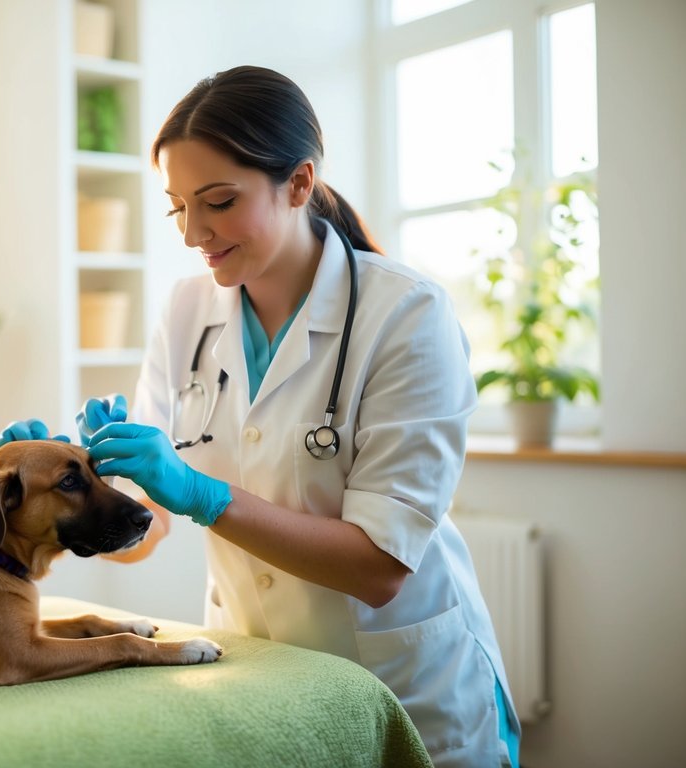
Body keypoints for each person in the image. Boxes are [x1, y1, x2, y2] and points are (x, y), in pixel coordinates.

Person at [75, 66, 520, 767]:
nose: (193, 231)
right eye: (177, 207)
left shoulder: (406, 315)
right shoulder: (186, 310)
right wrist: (84, 484)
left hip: (399, 688)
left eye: (218, 201)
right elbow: (145, 528)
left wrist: (202, 495)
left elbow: (379, 567)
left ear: (299, 183)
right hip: (260, 684)